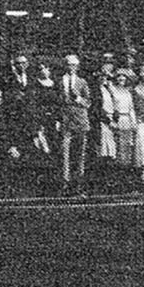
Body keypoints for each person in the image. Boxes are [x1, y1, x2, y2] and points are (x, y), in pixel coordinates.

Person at [58, 54, 90, 195]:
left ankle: (79, 182)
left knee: (80, 152)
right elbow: (57, 102)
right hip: (66, 119)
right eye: (69, 65)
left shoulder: (82, 82)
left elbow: (88, 102)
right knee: (65, 152)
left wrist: (78, 98)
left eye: (74, 65)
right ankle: (65, 182)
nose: (72, 68)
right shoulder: (60, 81)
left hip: (80, 119)